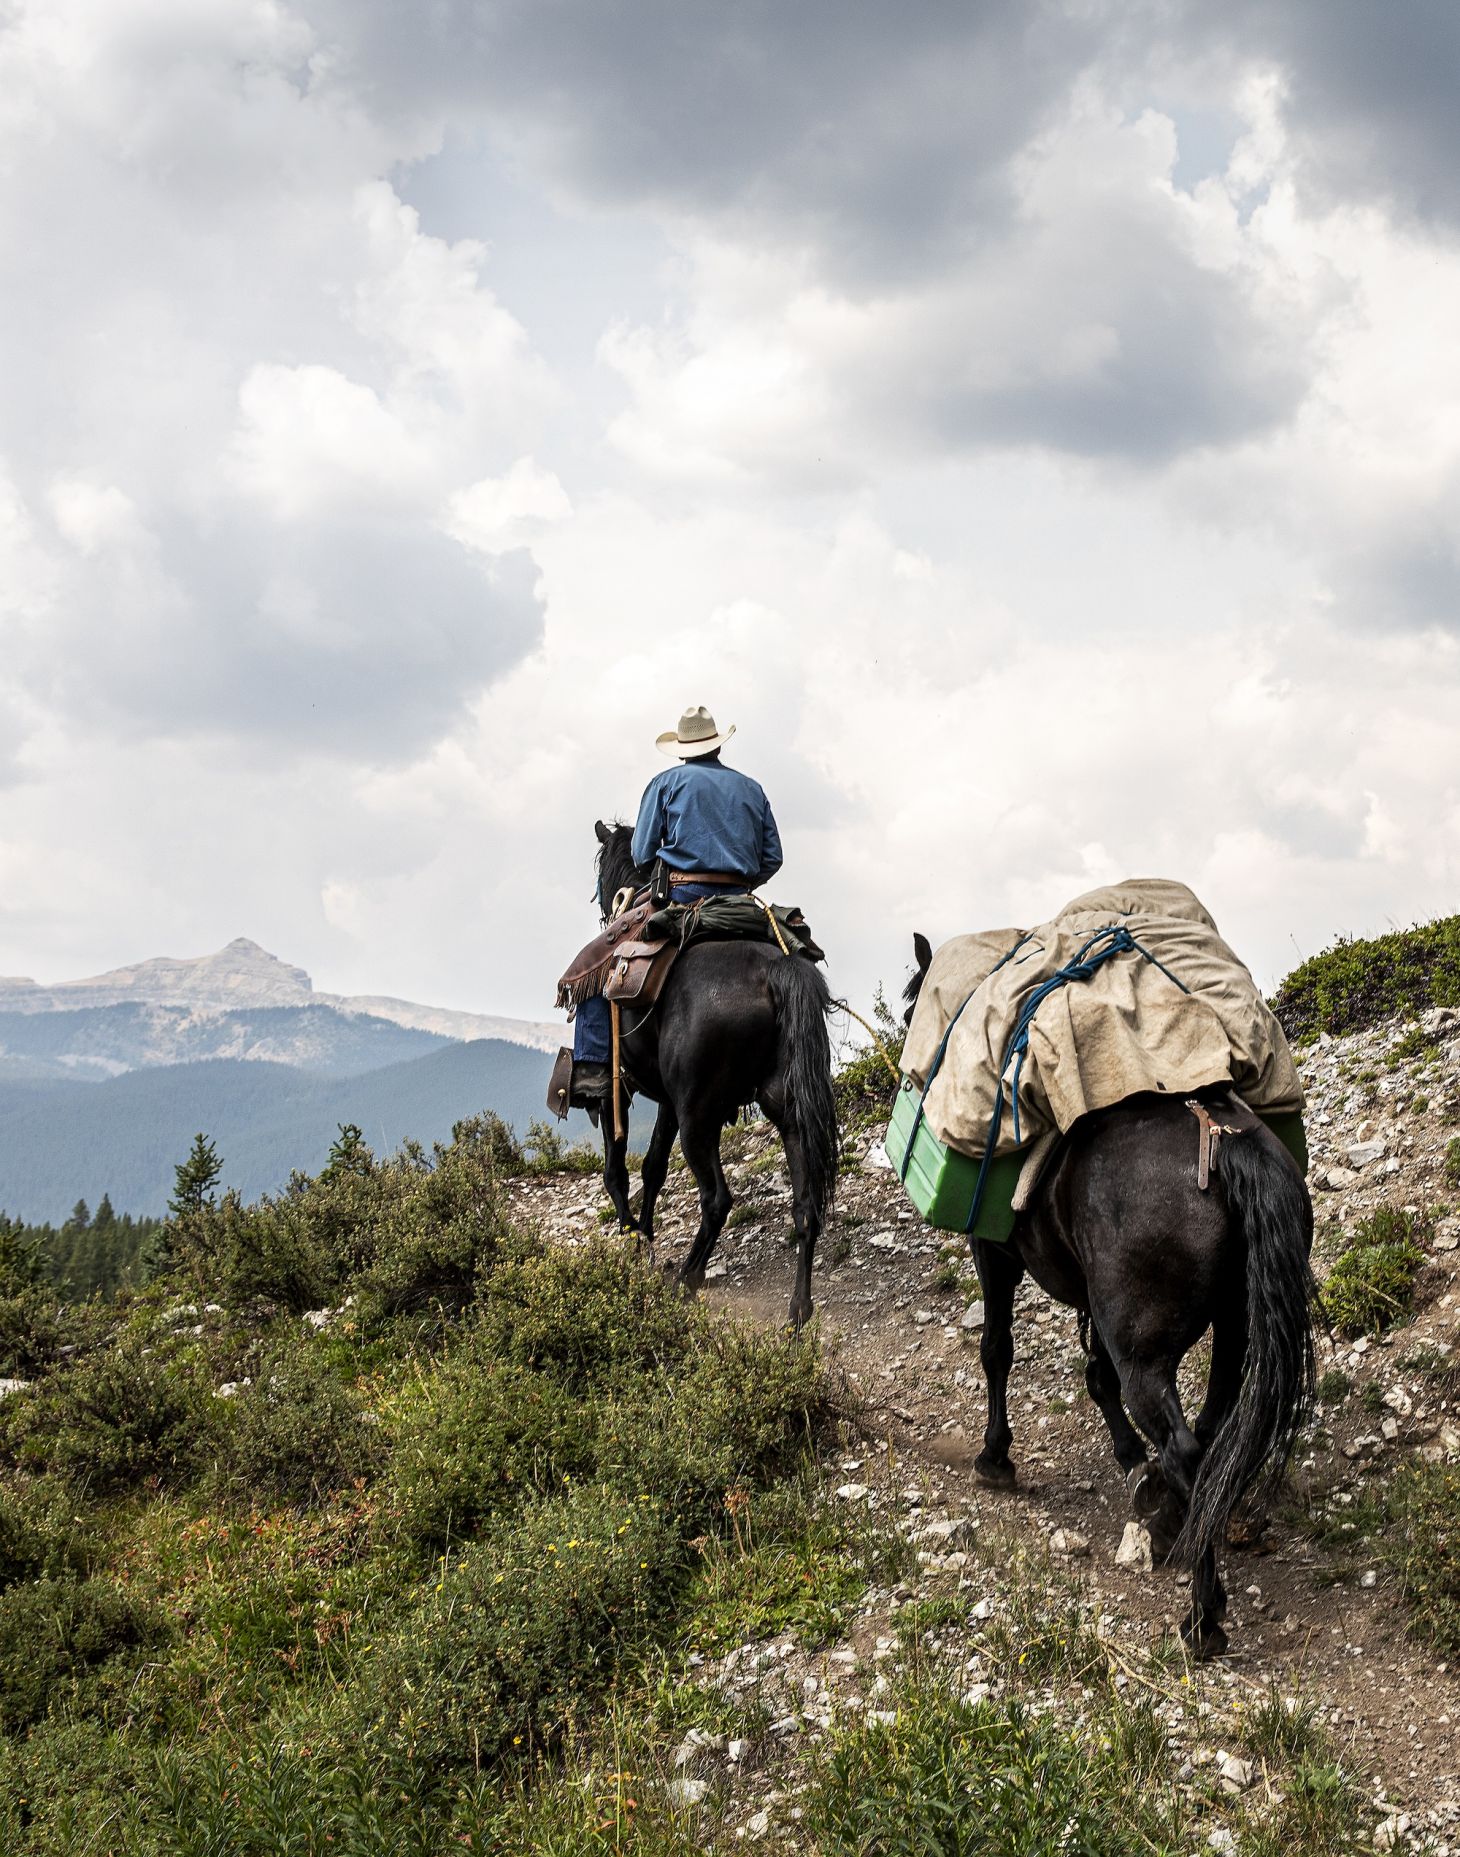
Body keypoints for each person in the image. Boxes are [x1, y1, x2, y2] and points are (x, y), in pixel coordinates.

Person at [569, 705, 783, 1105]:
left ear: (682, 748)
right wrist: (738, 880)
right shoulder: (751, 788)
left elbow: (641, 853)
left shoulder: (665, 784)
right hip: (741, 901)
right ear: (717, 744)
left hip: (682, 899)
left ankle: (593, 1068)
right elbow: (773, 857)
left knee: (595, 964)